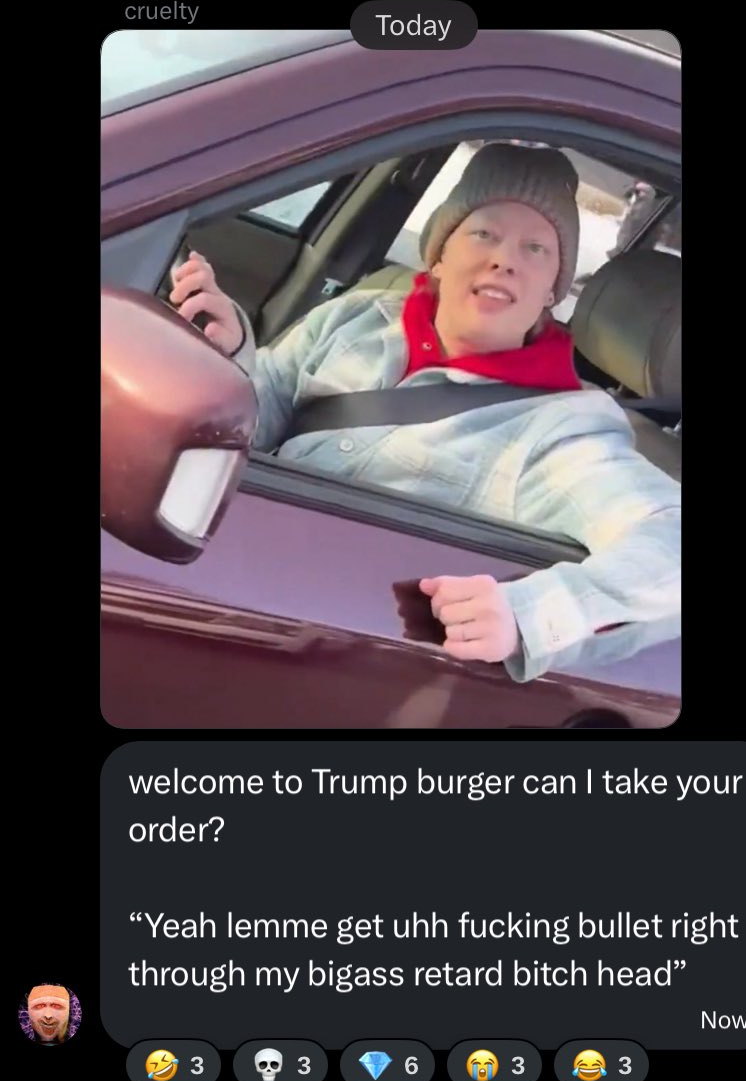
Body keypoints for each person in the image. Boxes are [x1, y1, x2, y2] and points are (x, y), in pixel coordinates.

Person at [170, 143, 680, 683]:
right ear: (439, 255)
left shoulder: (561, 428)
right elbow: (261, 411)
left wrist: (530, 615)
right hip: (211, 571)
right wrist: (231, 357)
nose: (505, 260)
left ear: (553, 289)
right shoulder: (359, 316)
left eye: (536, 249)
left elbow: (669, 541)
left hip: (331, 649)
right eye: (483, 233)